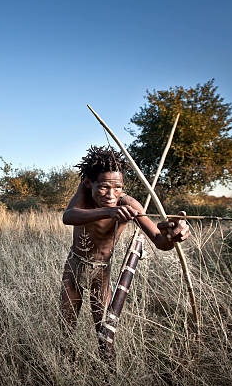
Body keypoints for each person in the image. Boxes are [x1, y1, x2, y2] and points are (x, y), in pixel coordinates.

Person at [59, 145, 191, 361]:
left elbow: (159, 241)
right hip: (74, 267)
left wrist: (173, 235)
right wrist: (109, 211)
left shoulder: (128, 204)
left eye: (117, 187)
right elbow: (68, 216)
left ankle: (108, 375)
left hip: (101, 273)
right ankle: (64, 369)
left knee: (105, 336)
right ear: (89, 182)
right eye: (103, 187)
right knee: (66, 330)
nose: (111, 195)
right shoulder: (84, 194)